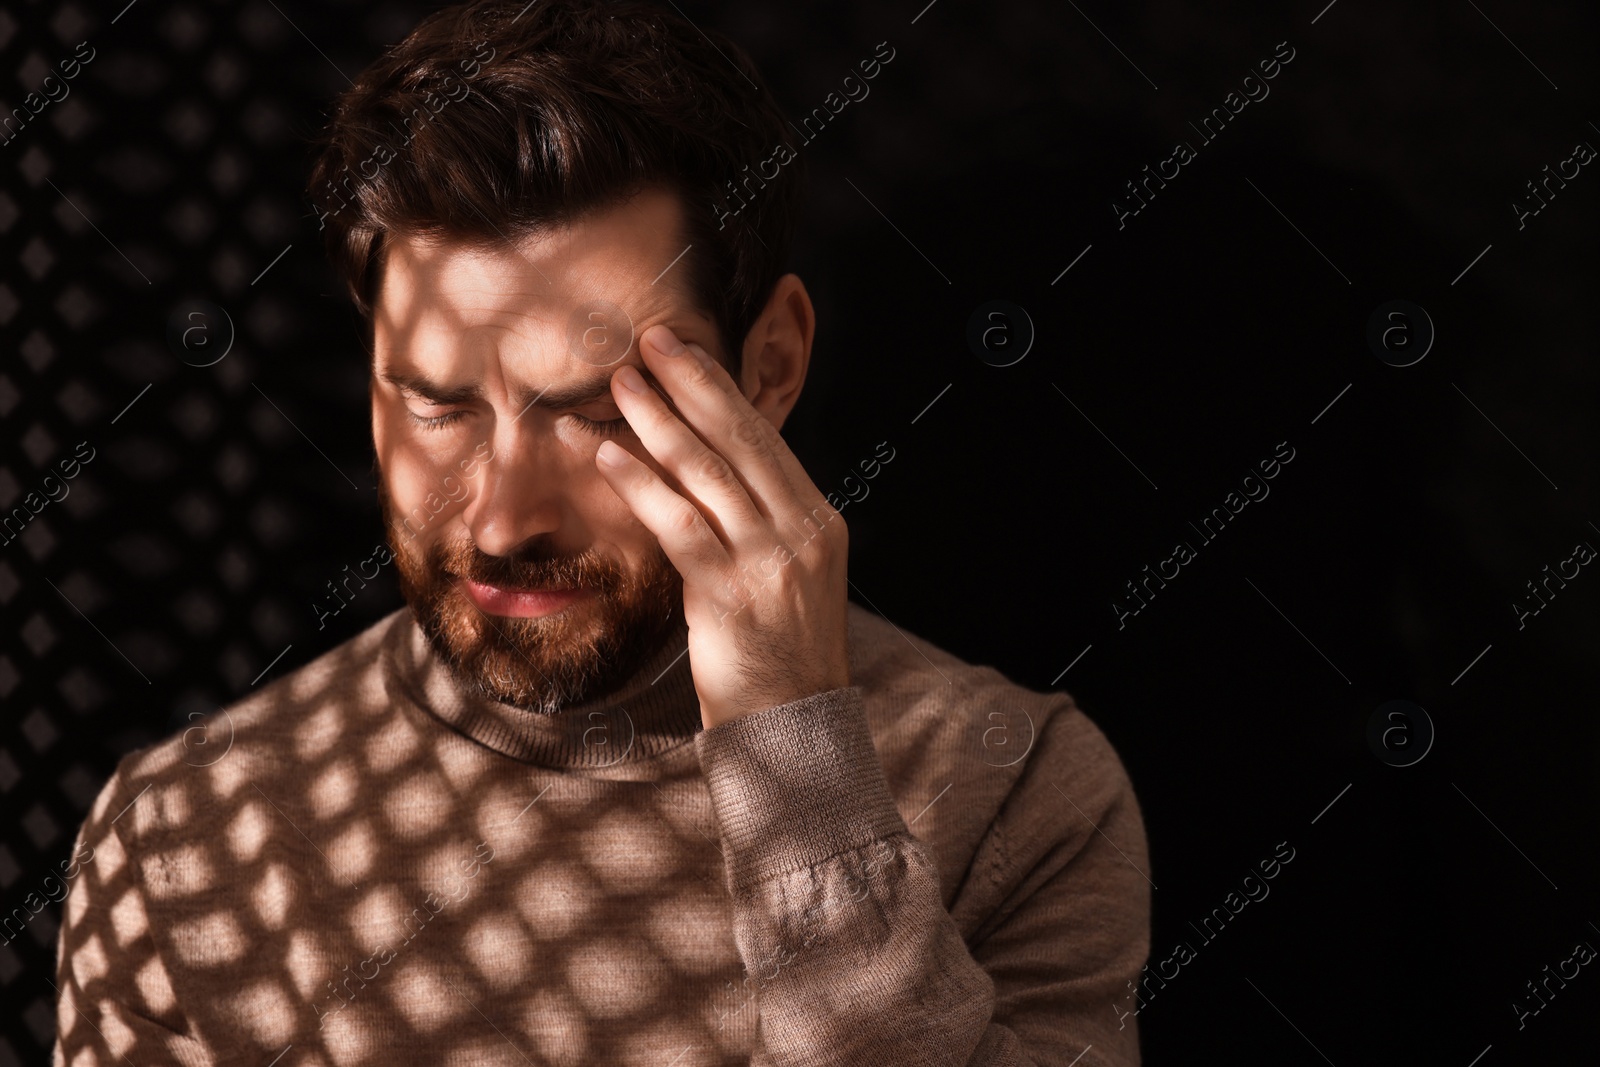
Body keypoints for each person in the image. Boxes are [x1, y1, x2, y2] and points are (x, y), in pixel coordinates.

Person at [54, 1, 1151, 1063]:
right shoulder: (187, 838)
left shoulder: (1015, 791)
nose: (502, 519)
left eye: (593, 411)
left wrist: (798, 760)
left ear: (768, 365)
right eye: (437, 404)